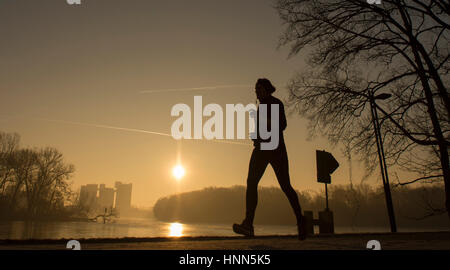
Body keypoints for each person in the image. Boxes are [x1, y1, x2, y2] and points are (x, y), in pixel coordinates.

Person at [233, 78, 307, 240]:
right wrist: (256, 135)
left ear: (267, 89)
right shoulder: (261, 107)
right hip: (261, 149)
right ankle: (248, 224)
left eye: (258, 89)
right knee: (251, 182)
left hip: (275, 149)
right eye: (255, 89)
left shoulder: (276, 103)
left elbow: (282, 125)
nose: (256, 92)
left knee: (285, 185)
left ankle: (301, 222)